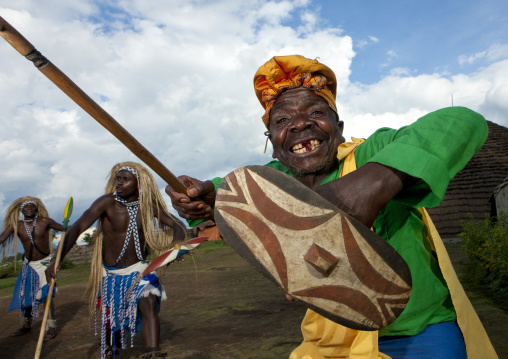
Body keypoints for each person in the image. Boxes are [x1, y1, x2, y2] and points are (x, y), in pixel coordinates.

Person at [165, 55, 498, 358]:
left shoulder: (370, 155)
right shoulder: (277, 183)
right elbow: (233, 191)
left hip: (418, 334)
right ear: (273, 146)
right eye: (281, 121)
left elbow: (462, 122)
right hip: (329, 344)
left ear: (338, 130)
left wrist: (372, 184)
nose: (298, 124)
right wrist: (208, 199)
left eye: (315, 112)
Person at [47, 162, 187, 359]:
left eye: (125, 179)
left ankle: (152, 353)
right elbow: (77, 227)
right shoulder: (106, 203)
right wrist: (57, 259)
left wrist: (175, 247)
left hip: (140, 269)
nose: (119, 183)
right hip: (112, 274)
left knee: (148, 304)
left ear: (139, 184)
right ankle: (113, 347)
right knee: (113, 321)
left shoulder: (147, 204)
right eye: (118, 179)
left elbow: (177, 224)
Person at [0, 196, 63, 341]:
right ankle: (26, 324)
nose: (28, 208)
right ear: (21, 210)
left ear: (36, 209)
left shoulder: (45, 221)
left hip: (45, 264)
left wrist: (57, 257)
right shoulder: (16, 225)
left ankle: (51, 327)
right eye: (25, 206)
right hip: (29, 265)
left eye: (31, 206)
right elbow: (1, 239)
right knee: (26, 295)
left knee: (47, 294)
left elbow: (67, 231)